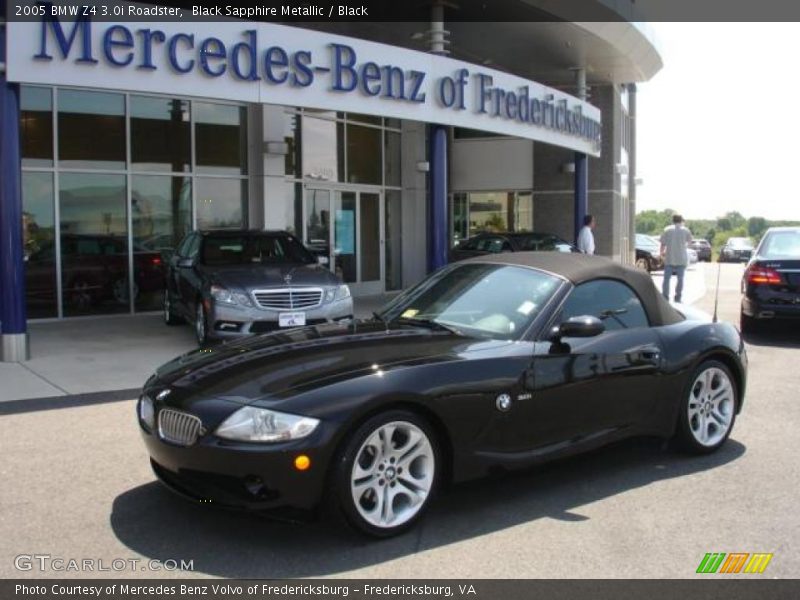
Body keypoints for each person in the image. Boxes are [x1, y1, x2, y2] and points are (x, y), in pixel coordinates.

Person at [660, 214, 693, 303]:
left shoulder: (667, 230)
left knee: (666, 279)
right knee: (680, 279)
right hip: (681, 258)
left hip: (669, 257)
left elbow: (663, 244)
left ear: (673, 220)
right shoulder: (686, 230)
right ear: (681, 220)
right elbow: (689, 243)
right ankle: (678, 297)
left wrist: (662, 253)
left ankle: (665, 297)